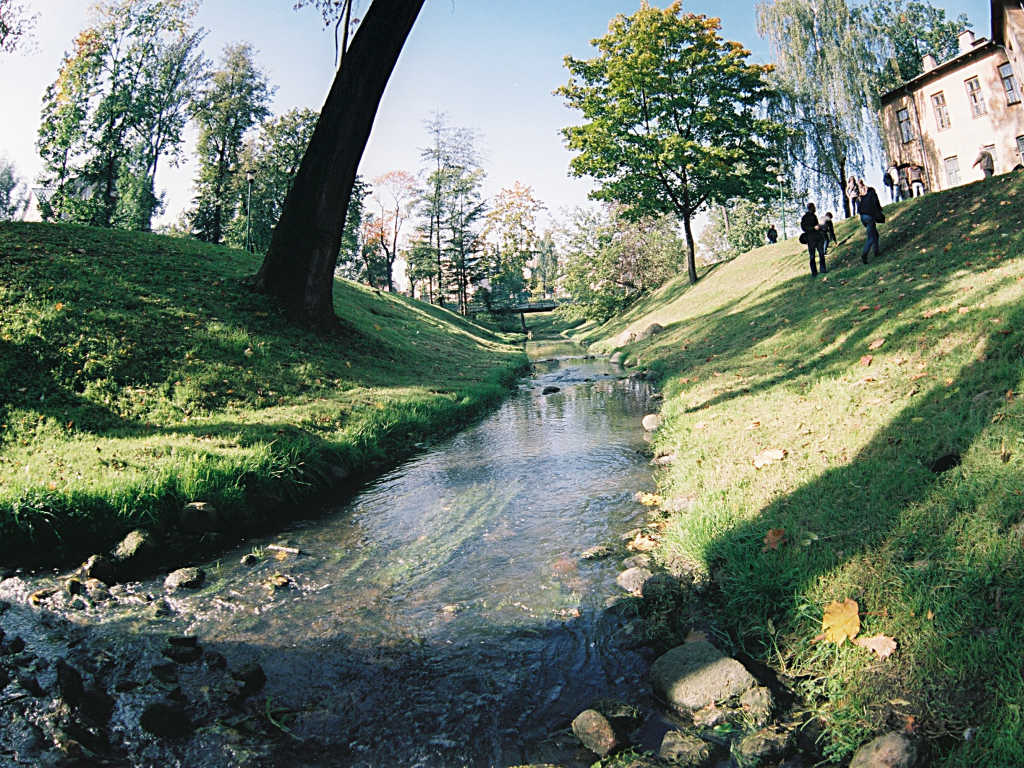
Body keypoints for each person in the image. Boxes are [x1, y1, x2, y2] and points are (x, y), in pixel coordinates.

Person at [857, 180, 885, 264]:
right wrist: (880, 212)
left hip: (863, 217)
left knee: (875, 234)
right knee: (871, 237)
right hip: (869, 216)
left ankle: (876, 252)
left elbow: (859, 209)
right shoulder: (871, 191)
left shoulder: (860, 196)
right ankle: (864, 254)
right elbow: (876, 202)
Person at [800, 202, 827, 276]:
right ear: (811, 208)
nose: (815, 208)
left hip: (817, 238)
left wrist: (820, 228)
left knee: (821, 254)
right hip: (811, 239)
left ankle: (822, 270)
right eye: (814, 207)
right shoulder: (805, 217)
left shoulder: (814, 216)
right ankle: (814, 272)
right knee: (812, 256)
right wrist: (813, 228)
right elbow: (804, 228)